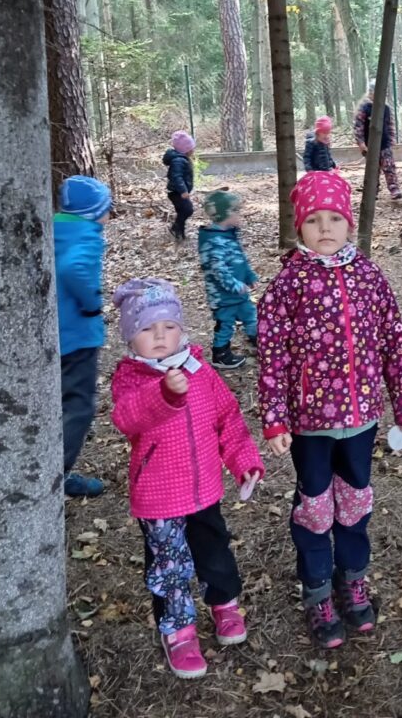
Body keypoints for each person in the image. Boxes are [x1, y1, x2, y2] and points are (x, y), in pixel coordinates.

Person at [257, 171, 402, 649]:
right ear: (299, 226)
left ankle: (352, 579)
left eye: (334, 218)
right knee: (314, 507)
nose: (325, 227)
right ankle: (317, 591)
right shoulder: (288, 283)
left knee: (354, 503)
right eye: (314, 220)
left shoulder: (369, 276)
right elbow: (272, 356)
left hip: (361, 420)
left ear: (349, 224)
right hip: (310, 424)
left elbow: (392, 341)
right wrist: (275, 418)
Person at [111, 278, 264, 679]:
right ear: (130, 337)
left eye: (169, 326)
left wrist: (243, 461)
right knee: (169, 564)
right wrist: (164, 393)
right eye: (147, 328)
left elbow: (227, 418)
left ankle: (224, 603)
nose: (160, 336)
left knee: (214, 548)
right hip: (159, 498)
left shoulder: (200, 370)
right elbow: (126, 418)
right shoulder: (131, 377)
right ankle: (178, 630)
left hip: (205, 490)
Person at [54, 176, 112, 498]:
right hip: (77, 337)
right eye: (107, 208)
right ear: (94, 212)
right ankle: (56, 477)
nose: (109, 214)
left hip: (53, 336)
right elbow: (72, 268)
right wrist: (92, 304)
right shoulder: (87, 235)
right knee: (79, 405)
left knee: (56, 401)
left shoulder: (53, 228)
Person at [198, 190, 258, 370]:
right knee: (225, 325)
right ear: (225, 214)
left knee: (251, 315)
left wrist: (249, 276)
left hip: (240, 294)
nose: (239, 215)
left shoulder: (230, 235)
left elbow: (240, 260)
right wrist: (234, 285)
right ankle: (221, 354)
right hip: (223, 297)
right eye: (236, 211)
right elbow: (218, 270)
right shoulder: (213, 241)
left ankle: (259, 340)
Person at [353, 80, 402, 200]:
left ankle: (394, 188)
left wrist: (392, 140)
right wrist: (361, 143)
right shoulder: (365, 108)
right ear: (371, 93)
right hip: (370, 146)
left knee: (389, 166)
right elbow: (358, 127)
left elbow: (390, 125)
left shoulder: (386, 108)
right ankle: (372, 191)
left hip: (385, 144)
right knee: (373, 169)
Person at [163, 130, 195, 240]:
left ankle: (179, 233)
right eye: (191, 148)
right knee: (188, 210)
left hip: (177, 191)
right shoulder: (178, 160)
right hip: (176, 192)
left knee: (182, 211)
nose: (193, 150)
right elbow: (176, 177)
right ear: (186, 149)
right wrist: (183, 191)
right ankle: (175, 228)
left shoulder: (181, 159)